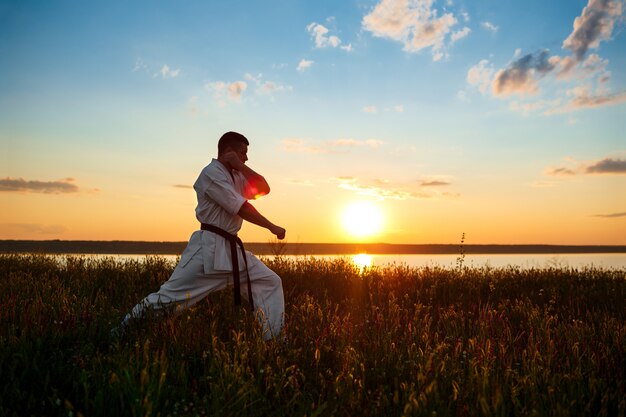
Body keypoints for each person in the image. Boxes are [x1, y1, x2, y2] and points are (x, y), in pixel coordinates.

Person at [113, 131, 286, 340]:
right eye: (243, 153)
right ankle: (120, 332)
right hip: (208, 250)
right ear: (229, 151)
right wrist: (271, 226)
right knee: (169, 298)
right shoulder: (211, 173)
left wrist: (241, 166)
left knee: (270, 282)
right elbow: (241, 207)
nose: (246, 157)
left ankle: (274, 341)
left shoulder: (238, 175)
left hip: (232, 253)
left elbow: (263, 188)